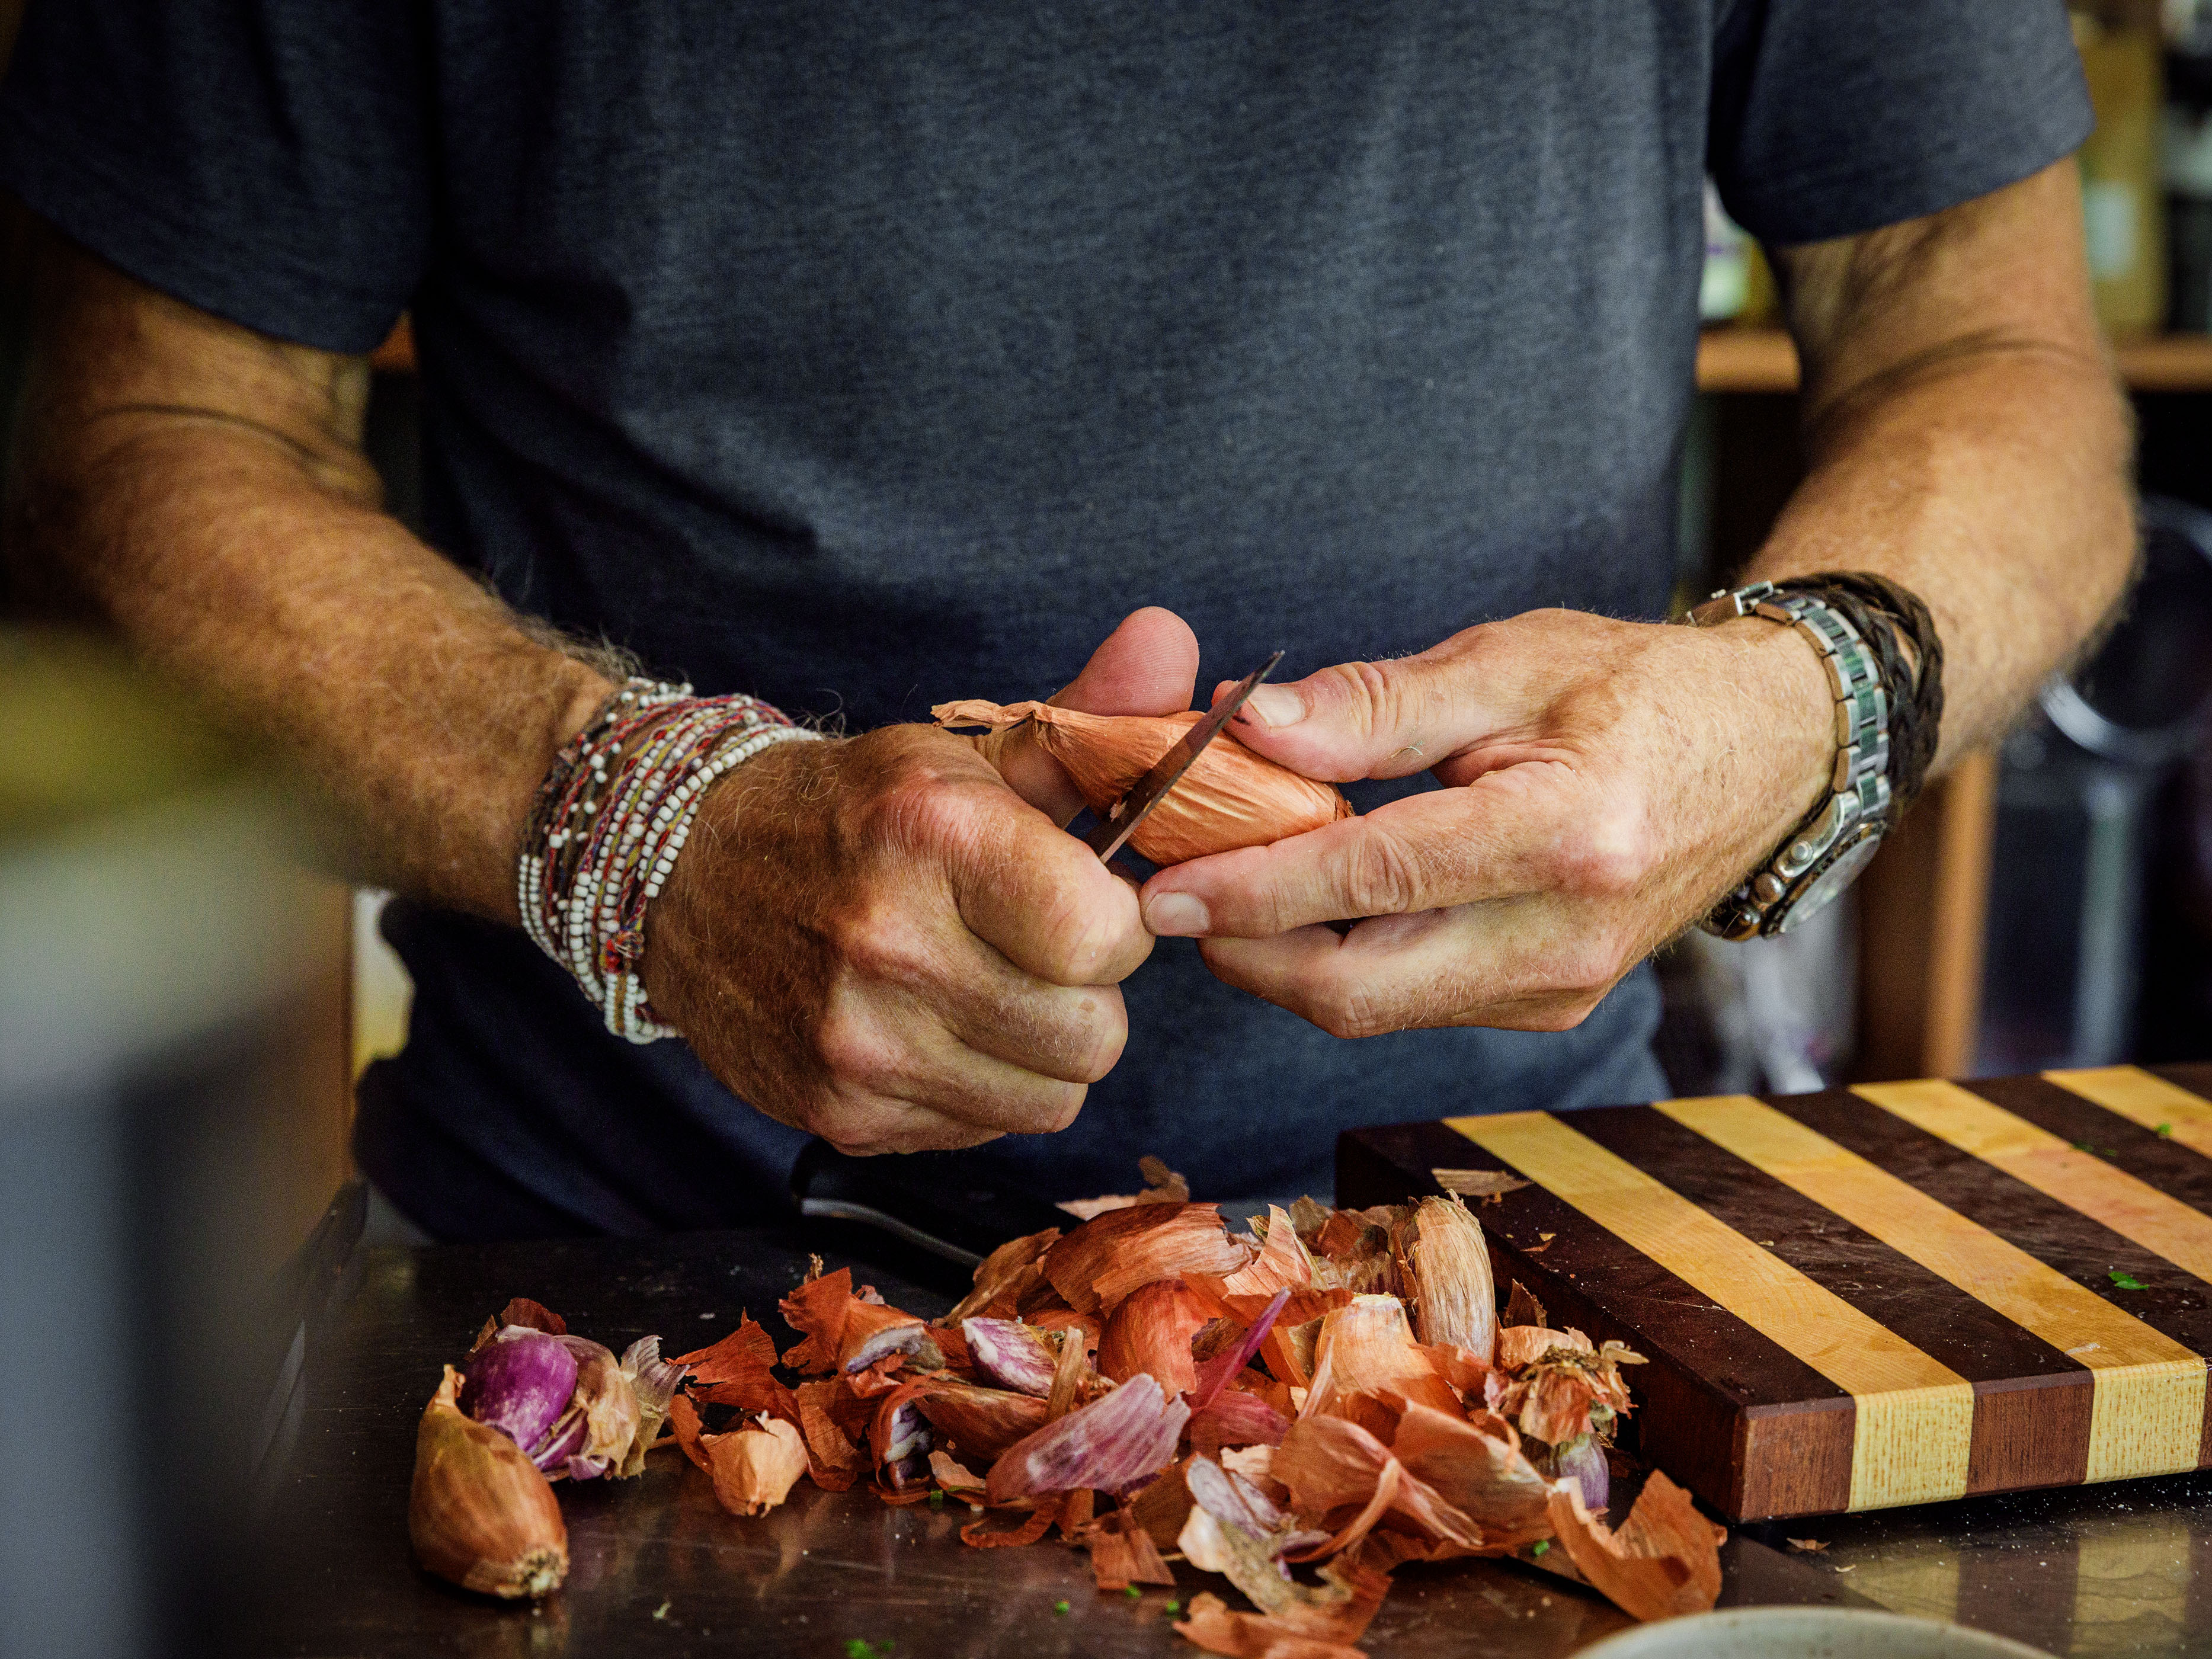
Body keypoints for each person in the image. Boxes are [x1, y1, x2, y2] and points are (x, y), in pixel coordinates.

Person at [0, 3, 2131, 1239]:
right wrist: (635, 827)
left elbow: (1993, 354)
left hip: (1490, 1255)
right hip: (595, 1269)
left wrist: (1791, 708)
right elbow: (135, 433)